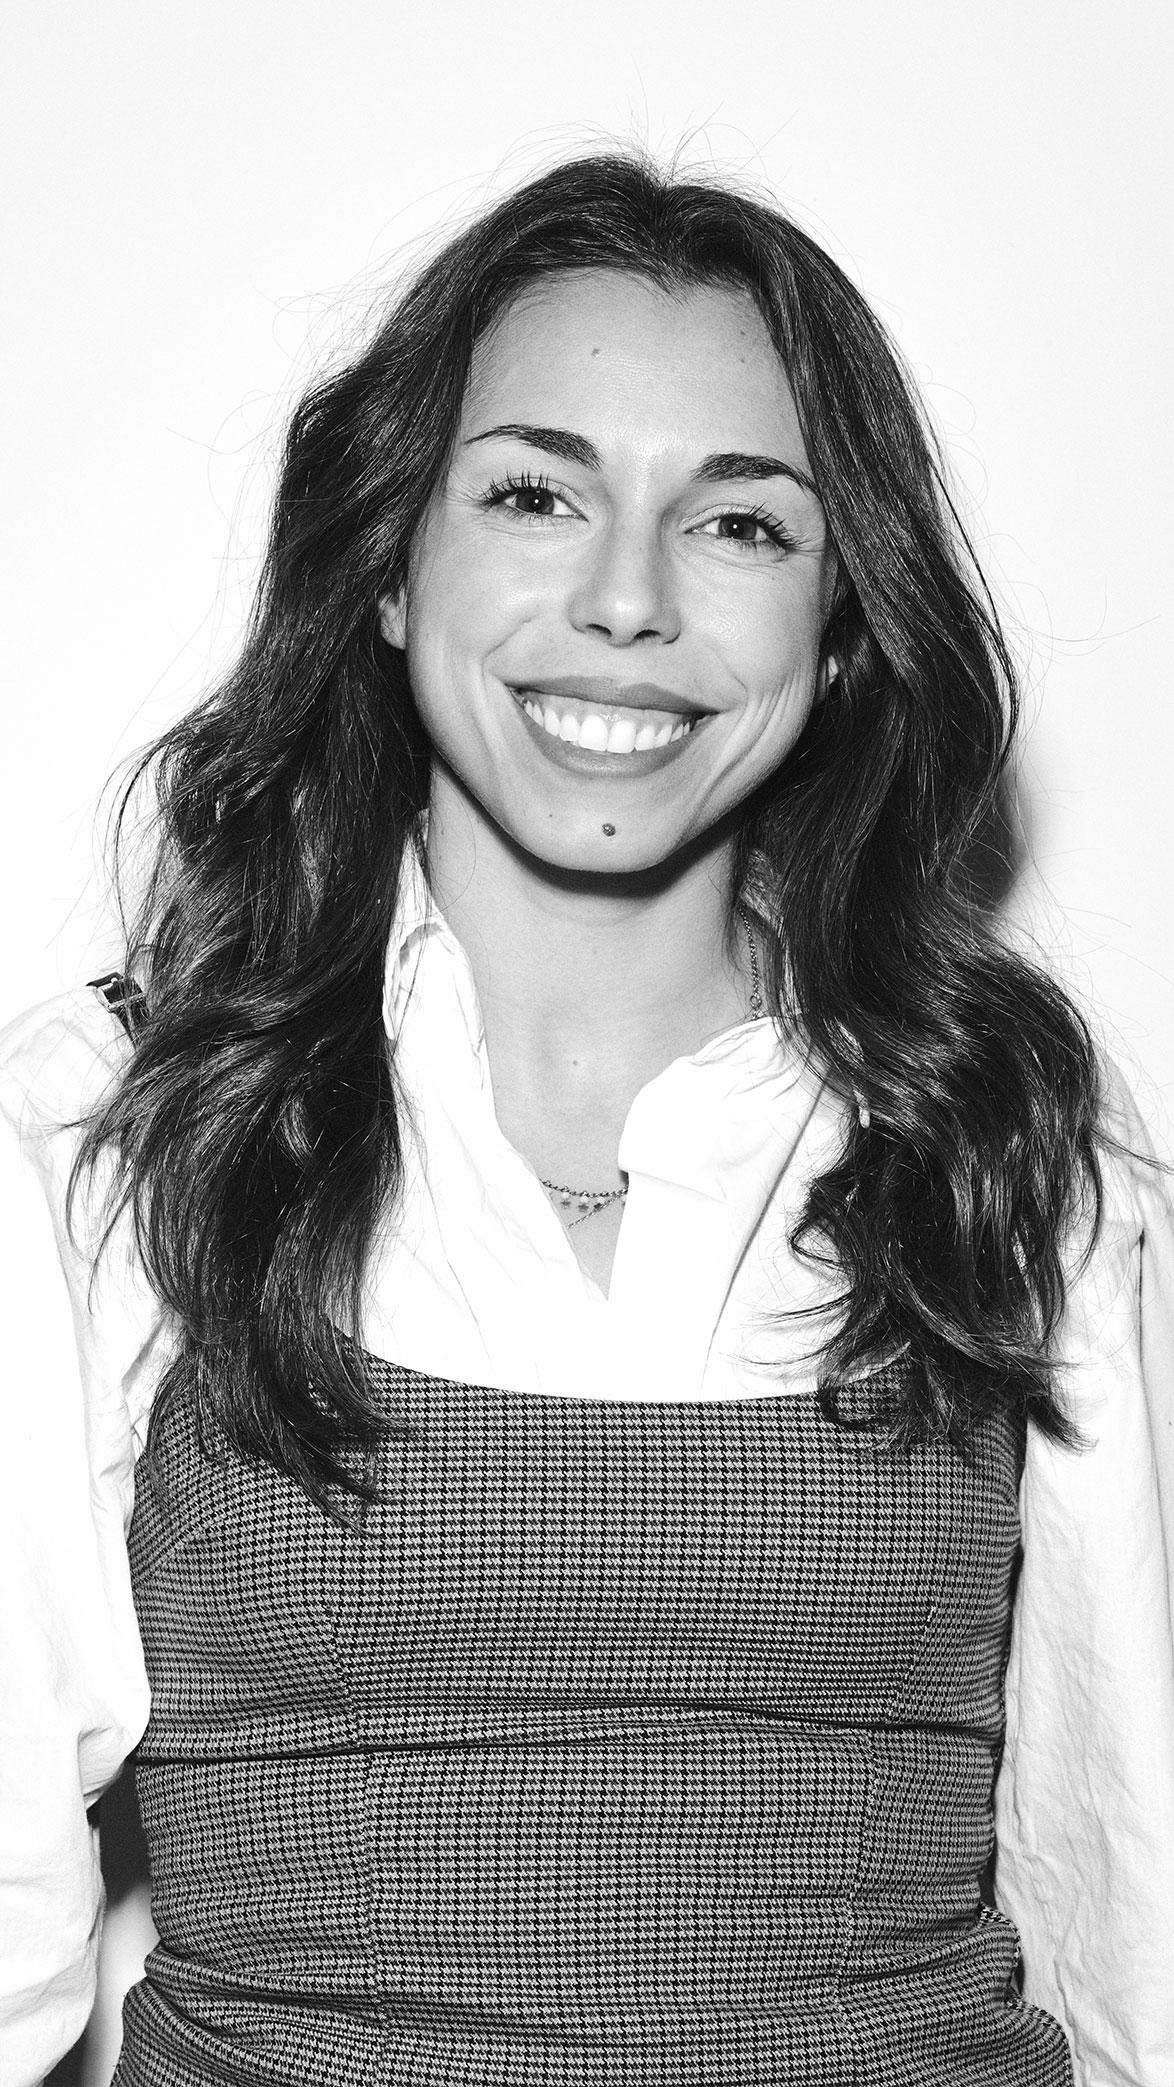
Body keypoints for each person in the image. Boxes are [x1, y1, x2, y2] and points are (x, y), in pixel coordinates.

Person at [1, 148, 1171, 2087]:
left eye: (738, 522)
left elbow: (1129, 1878)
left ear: (839, 621)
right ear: (389, 567)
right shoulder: (110, 1130)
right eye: (534, 494)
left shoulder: (1001, 1139)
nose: (626, 598)